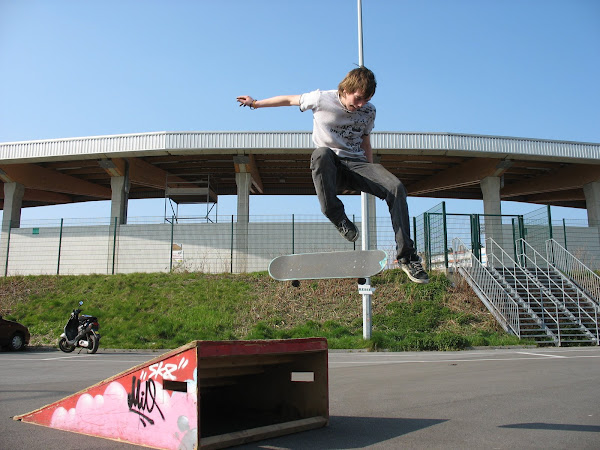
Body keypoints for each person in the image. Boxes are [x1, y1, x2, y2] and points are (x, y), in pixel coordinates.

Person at [237, 66, 429, 284]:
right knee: (321, 153)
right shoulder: (320, 99)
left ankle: (407, 257)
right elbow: (289, 100)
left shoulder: (369, 111)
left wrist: (371, 173)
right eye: (357, 99)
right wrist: (255, 103)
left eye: (365, 100)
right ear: (346, 89)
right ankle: (337, 216)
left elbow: (365, 140)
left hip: (357, 165)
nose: (360, 105)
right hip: (331, 166)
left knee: (396, 188)